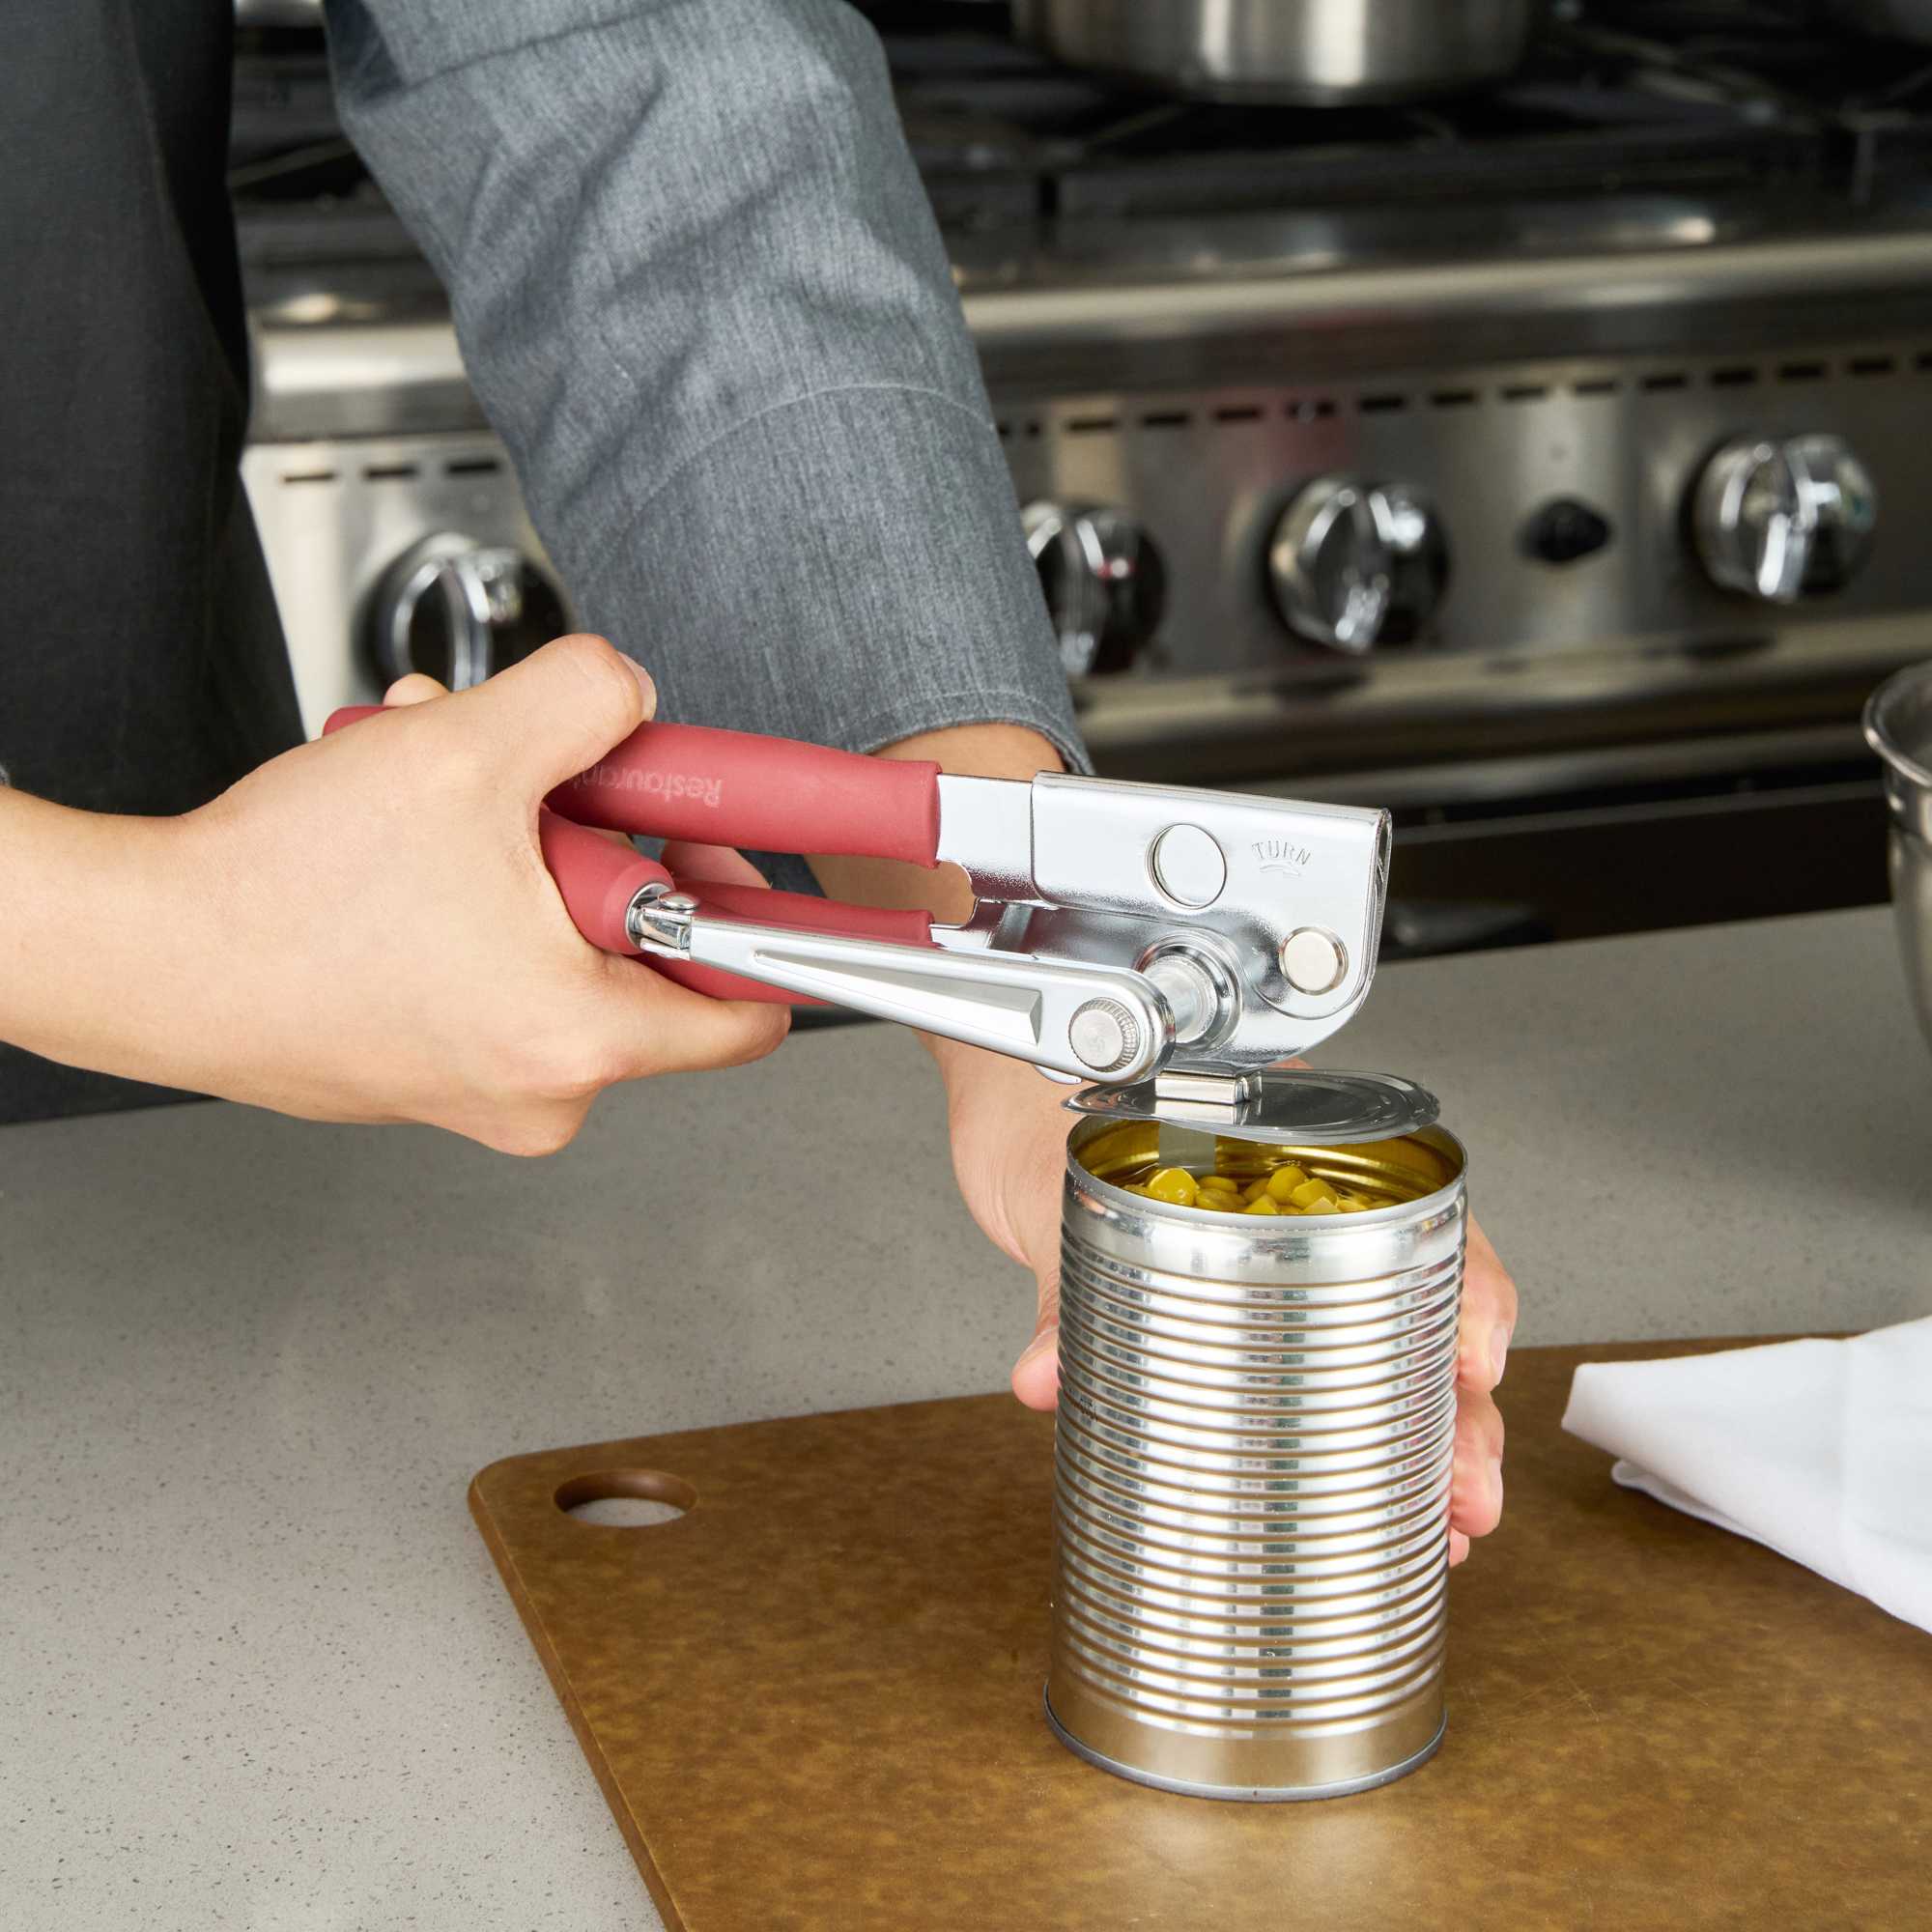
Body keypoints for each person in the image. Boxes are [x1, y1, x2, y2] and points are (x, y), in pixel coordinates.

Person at [0, 0, 1513, 1559]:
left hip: (157, 1176)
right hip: (208, 982)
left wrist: (1048, 971)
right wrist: (139, 936)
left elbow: (650, 100)